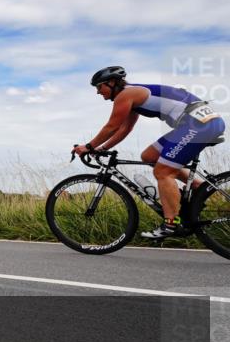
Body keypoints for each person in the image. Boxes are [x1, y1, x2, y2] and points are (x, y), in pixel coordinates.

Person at [73, 66, 226, 238]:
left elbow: (111, 126)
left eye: (99, 87)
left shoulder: (125, 95)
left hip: (197, 125)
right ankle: (199, 187)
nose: (98, 92)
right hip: (199, 123)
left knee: (163, 171)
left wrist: (88, 146)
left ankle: (171, 224)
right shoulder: (132, 95)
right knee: (149, 156)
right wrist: (101, 148)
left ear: (112, 83)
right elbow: (124, 129)